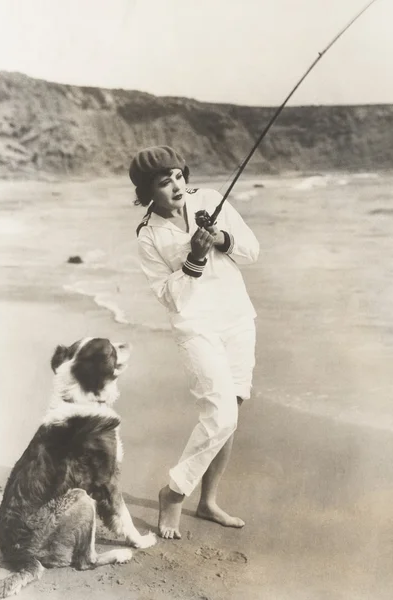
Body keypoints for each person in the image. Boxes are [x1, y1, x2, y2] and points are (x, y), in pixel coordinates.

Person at [130, 145, 259, 540]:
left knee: (229, 414)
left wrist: (220, 237)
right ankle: (174, 493)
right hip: (196, 328)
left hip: (237, 318)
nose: (175, 185)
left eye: (178, 176)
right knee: (220, 415)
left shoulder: (210, 200)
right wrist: (195, 260)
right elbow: (171, 297)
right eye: (163, 181)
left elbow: (252, 252)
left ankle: (208, 501)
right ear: (146, 191)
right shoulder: (148, 236)